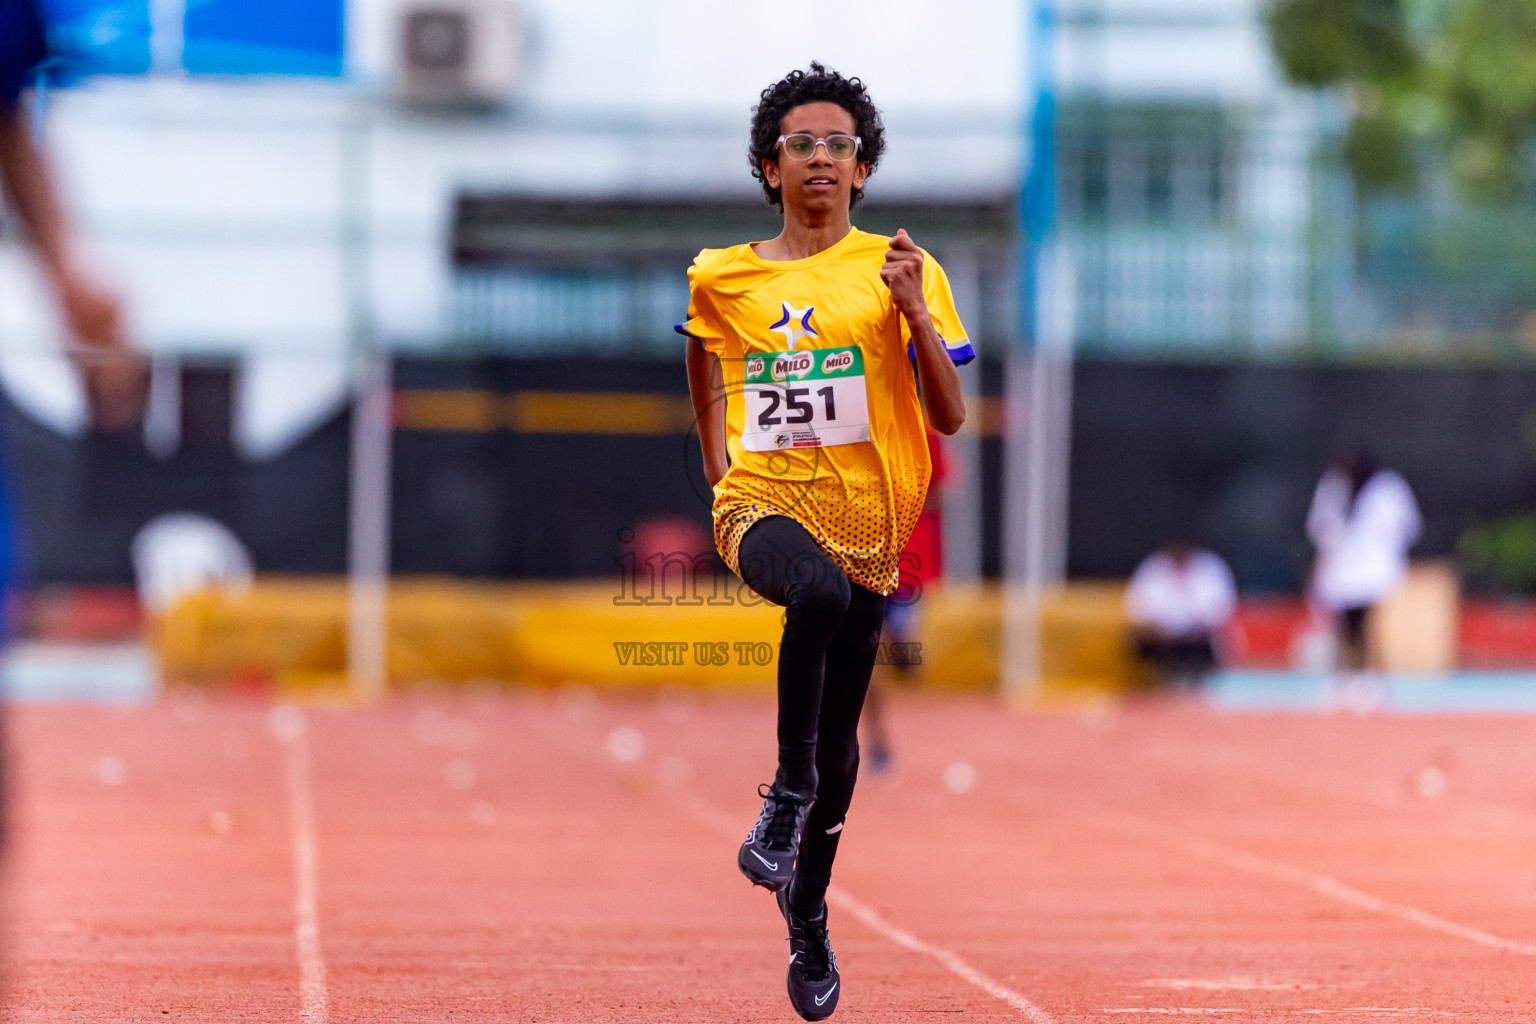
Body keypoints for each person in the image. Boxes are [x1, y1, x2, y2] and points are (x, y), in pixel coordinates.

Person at [679, 63, 971, 1021]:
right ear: (770, 167)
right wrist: (719, 458)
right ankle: (786, 791)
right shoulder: (724, 274)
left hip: (871, 522)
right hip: (762, 504)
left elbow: (952, 414)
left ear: (863, 167)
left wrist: (915, 314)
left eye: (838, 144)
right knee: (814, 596)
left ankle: (808, 912)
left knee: (847, 739)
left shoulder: (902, 267)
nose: (819, 157)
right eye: (801, 143)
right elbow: (698, 346)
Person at [1306, 449, 1421, 672]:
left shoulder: (1388, 490)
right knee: (1345, 629)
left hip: (1378, 573)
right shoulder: (1332, 490)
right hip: (1341, 574)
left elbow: (1408, 528)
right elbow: (1318, 530)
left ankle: (1377, 676)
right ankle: (1349, 676)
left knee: (1375, 628)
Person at [1124, 541, 1236, 688]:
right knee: (1134, 640)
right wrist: (1163, 631)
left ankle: (1197, 684)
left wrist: (1190, 630)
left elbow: (1219, 614)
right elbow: (1138, 613)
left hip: (1198, 640)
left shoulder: (1210, 568)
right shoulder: (1153, 568)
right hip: (1161, 639)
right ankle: (1159, 685)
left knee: (1207, 643)